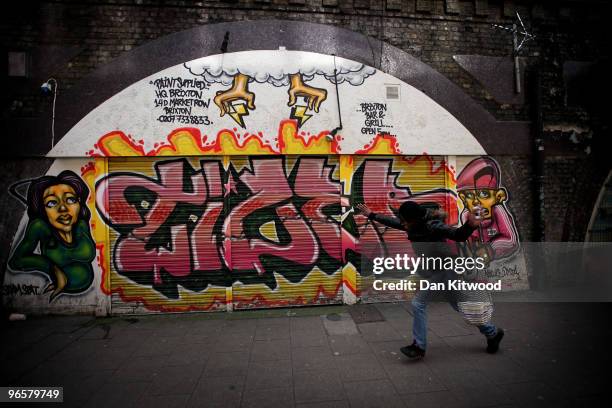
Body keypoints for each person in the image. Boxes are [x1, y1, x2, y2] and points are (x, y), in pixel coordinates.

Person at [356, 200, 504, 359]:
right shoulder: (411, 225)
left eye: (405, 220)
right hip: (437, 271)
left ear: (414, 219)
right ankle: (492, 333)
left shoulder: (432, 225)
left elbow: (458, 235)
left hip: (446, 270)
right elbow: (394, 222)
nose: (403, 223)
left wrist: (471, 225)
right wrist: (371, 214)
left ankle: (419, 346)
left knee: (418, 303)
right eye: (402, 220)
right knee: (461, 307)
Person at [9, 170, 96, 302]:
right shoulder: (40, 227)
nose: (63, 209)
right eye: (52, 203)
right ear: (42, 209)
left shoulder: (81, 224)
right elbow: (16, 260)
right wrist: (52, 268)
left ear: (79, 203)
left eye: (70, 200)